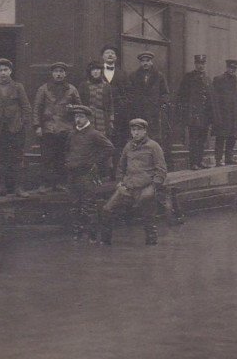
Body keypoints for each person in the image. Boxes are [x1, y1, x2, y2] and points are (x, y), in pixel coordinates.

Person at [100, 118, 168, 246]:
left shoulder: (153, 146)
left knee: (148, 215)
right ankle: (105, 242)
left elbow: (161, 170)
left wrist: (153, 186)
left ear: (145, 131)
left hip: (145, 186)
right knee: (107, 209)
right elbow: (121, 167)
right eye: (133, 130)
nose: (135, 133)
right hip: (128, 187)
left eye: (138, 130)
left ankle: (151, 242)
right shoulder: (128, 146)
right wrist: (120, 183)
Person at [65, 104, 114, 242]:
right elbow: (67, 150)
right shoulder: (72, 134)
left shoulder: (94, 134)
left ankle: (92, 234)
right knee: (74, 204)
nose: (78, 120)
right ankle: (77, 233)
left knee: (88, 205)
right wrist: (68, 163)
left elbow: (109, 148)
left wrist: (94, 162)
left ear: (87, 118)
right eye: (76, 116)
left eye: (81, 116)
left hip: (87, 174)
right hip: (73, 174)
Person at [0, 58, 32, 198]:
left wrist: (23, 123)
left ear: (10, 71)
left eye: (5, 70)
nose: (3, 73)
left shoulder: (18, 87)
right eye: (0, 70)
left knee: (17, 158)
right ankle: (1, 187)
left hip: (15, 128)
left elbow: (26, 107)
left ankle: (19, 188)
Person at [33, 61, 81, 194]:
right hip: (48, 128)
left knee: (62, 157)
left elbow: (79, 109)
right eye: (56, 72)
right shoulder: (43, 89)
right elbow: (37, 108)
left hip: (66, 128)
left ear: (65, 74)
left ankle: (61, 183)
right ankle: (45, 184)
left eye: (61, 72)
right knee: (47, 158)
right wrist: (37, 126)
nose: (58, 74)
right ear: (52, 74)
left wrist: (76, 125)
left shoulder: (72, 89)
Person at [175, 54, 213, 169]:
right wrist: (185, 113)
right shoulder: (188, 77)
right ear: (195, 64)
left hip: (204, 115)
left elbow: (210, 97)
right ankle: (193, 163)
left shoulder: (207, 79)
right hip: (193, 114)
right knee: (193, 139)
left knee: (202, 139)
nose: (201, 66)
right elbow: (182, 96)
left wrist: (211, 115)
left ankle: (200, 161)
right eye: (199, 64)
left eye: (202, 64)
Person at [101, 45, 132, 173]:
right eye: (107, 53)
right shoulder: (96, 72)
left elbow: (129, 92)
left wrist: (124, 105)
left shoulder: (122, 73)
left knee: (118, 140)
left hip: (120, 113)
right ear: (102, 56)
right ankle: (103, 170)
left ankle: (117, 169)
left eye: (112, 53)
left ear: (116, 57)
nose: (110, 55)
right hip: (102, 112)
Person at [128, 51, 170, 145]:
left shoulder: (159, 76)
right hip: (138, 112)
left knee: (154, 138)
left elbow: (165, 94)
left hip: (154, 113)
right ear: (140, 63)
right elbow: (129, 94)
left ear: (151, 62)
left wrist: (159, 105)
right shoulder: (133, 76)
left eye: (148, 60)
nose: (145, 63)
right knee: (138, 137)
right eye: (143, 61)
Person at [211, 59, 237, 166]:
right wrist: (217, 116)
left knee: (232, 137)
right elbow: (214, 99)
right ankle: (218, 159)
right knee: (221, 137)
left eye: (234, 68)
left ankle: (229, 158)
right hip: (223, 115)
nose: (232, 70)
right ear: (227, 67)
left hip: (234, 115)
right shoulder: (219, 79)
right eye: (230, 68)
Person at [78, 60, 114, 140]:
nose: (95, 72)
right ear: (90, 72)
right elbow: (79, 103)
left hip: (103, 117)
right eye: (93, 70)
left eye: (97, 70)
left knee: (102, 138)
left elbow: (110, 103)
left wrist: (111, 120)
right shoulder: (84, 85)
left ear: (101, 71)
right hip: (88, 117)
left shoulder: (106, 86)